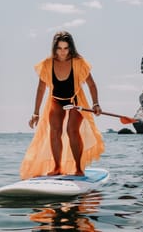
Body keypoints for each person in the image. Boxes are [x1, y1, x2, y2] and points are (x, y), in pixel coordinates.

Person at [20, 31, 105, 179]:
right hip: (56, 100)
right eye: (59, 48)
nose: (63, 52)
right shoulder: (47, 64)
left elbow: (91, 85)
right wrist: (36, 112)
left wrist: (96, 103)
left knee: (72, 130)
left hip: (75, 101)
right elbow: (41, 89)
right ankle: (57, 167)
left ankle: (78, 168)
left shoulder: (78, 62)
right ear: (54, 48)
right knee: (54, 131)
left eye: (66, 48)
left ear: (71, 48)